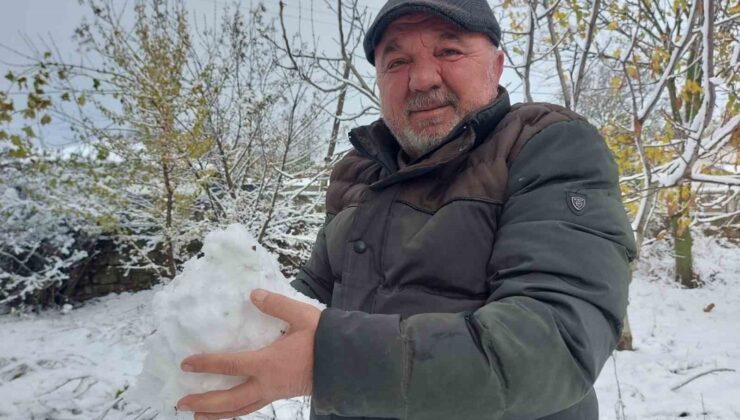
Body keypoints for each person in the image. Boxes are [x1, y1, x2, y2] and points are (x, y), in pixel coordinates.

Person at [174, 0, 637, 419]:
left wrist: (329, 361)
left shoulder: (547, 146)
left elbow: (554, 342)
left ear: (496, 66)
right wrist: (219, 328)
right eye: (397, 61)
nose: (422, 79)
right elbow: (312, 296)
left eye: (449, 52)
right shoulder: (359, 173)